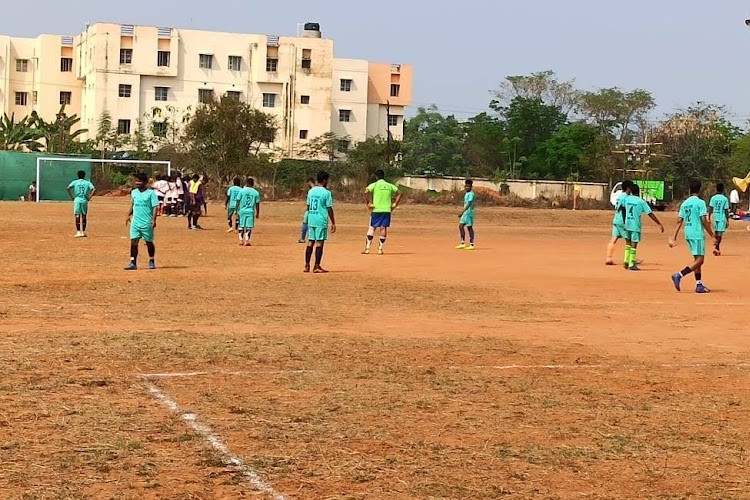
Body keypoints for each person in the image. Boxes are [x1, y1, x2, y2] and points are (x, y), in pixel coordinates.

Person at [671, 180, 715, 293]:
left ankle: (699, 284)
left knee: (696, 259)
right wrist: (712, 235)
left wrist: (673, 237)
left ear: (689, 189)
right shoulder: (700, 203)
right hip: (697, 233)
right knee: (700, 260)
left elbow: (679, 220)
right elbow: (704, 220)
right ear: (699, 189)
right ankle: (679, 275)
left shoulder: (685, 203)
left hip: (688, 233)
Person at [620, 184, 664, 270]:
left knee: (628, 243)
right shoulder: (641, 201)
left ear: (631, 191)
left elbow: (623, 208)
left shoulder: (627, 199)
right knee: (634, 244)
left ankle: (626, 261)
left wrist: (624, 220)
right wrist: (659, 223)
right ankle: (631, 264)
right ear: (638, 191)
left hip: (627, 223)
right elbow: (650, 213)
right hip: (635, 224)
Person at [124, 172, 159, 270]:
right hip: (135, 222)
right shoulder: (134, 192)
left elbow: (155, 207)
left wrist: (153, 220)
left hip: (146, 222)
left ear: (145, 182)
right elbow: (133, 205)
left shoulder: (151, 193)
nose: (137, 183)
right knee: (133, 242)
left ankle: (151, 260)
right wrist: (128, 214)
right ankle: (132, 262)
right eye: (136, 181)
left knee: (148, 242)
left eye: (139, 181)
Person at [363, 169, 402, 255]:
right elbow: (399, 193)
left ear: (376, 177)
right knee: (383, 228)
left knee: (372, 227)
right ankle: (380, 249)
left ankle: (367, 248)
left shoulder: (375, 185)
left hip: (376, 209)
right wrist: (395, 203)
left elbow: (366, 192)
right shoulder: (389, 185)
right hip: (386, 209)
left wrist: (368, 203)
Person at [305, 171, 336, 273]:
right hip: (320, 220)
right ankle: (317, 266)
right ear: (324, 180)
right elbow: (329, 208)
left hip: (311, 218)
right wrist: (333, 222)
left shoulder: (311, 191)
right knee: (319, 243)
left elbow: (308, 206)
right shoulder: (326, 193)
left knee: (310, 242)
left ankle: (307, 265)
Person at [605, 180, 634, 265]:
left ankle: (608, 258)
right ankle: (629, 259)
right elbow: (624, 209)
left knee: (613, 239)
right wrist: (626, 222)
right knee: (629, 240)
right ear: (628, 188)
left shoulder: (619, 196)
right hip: (622, 221)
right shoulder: (626, 197)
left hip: (616, 219)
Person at [66, 170, 96, 238]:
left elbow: (68, 188)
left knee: (77, 215)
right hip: (84, 199)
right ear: (84, 175)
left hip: (77, 199)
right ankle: (83, 232)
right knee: (84, 215)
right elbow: (94, 189)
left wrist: (72, 197)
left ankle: (78, 231)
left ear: (78, 175)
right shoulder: (87, 182)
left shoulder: (75, 182)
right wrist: (89, 197)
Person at [235, 177, 260, 246]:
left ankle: (240, 240)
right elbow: (257, 204)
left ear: (246, 183)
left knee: (241, 226)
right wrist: (257, 213)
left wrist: (236, 210)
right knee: (249, 227)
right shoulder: (256, 193)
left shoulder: (242, 191)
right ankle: (247, 240)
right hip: (250, 211)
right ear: (253, 184)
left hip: (242, 211)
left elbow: (238, 201)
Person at [708, 183, 730, 256]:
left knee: (716, 232)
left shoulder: (713, 198)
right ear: (723, 189)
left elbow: (710, 208)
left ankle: (716, 247)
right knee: (720, 234)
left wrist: (709, 217)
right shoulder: (724, 199)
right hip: (721, 217)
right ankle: (717, 247)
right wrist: (728, 219)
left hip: (715, 217)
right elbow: (726, 210)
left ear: (716, 189)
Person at [456, 179, 476, 250]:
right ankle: (462, 243)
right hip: (465, 213)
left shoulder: (471, 194)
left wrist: (462, 211)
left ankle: (472, 244)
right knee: (461, 226)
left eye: (468, 186)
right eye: (466, 186)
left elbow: (469, 204)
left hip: (468, 212)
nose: (467, 187)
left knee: (469, 227)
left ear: (471, 187)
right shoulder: (466, 193)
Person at [298, 177, 316, 243]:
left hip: (310, 210)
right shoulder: (316, 190)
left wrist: (307, 209)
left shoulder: (311, 191)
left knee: (305, 223)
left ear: (310, 182)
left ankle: (303, 238)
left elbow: (309, 203)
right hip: (315, 210)